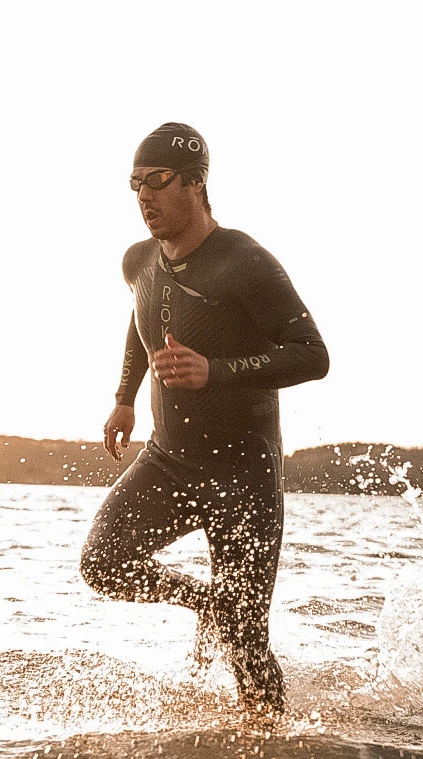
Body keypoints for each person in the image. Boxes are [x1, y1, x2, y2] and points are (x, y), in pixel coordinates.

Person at [79, 122, 329, 716]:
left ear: (195, 183)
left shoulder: (247, 263)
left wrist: (214, 370)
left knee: (247, 647)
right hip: (169, 459)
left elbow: (312, 355)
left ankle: (269, 758)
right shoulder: (139, 260)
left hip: (243, 472)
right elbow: (143, 318)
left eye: (157, 181)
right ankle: (209, 603)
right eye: (135, 183)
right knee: (103, 563)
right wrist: (123, 396)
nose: (144, 196)